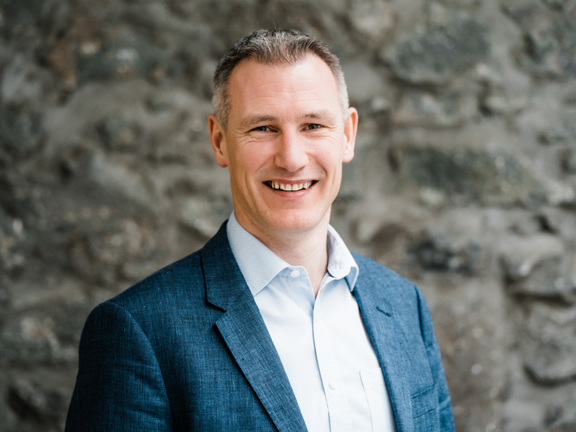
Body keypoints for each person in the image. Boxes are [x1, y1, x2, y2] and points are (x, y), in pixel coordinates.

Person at [65, 29, 454, 432]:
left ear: (347, 135)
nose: (291, 158)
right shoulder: (139, 330)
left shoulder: (404, 305)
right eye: (263, 128)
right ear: (219, 141)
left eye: (313, 125)